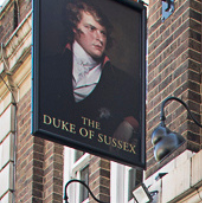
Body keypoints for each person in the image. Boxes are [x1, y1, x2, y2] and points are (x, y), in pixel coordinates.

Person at [39, 0, 141, 154]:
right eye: (91, 28)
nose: (99, 38)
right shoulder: (47, 67)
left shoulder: (124, 82)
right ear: (74, 28)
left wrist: (130, 123)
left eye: (103, 32)